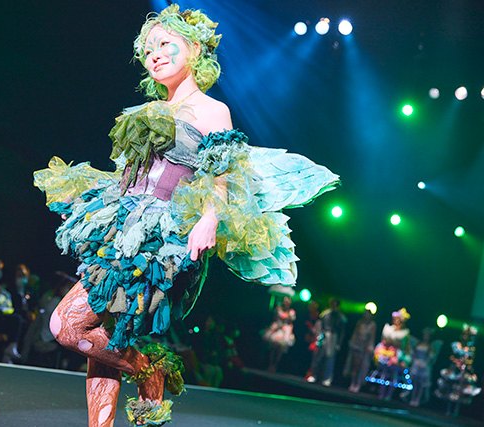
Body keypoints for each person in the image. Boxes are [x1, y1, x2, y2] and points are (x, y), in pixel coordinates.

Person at [34, 5, 338, 426]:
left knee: (66, 326)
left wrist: (209, 218)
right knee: (107, 338)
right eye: (147, 49)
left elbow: (221, 173)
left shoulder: (213, 111)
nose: (154, 54)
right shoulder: (146, 112)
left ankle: (150, 369)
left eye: (165, 44)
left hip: (161, 243)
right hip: (121, 234)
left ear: (194, 49)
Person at [435, 324, 481, 417]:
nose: (465, 337)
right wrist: (457, 361)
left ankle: (456, 411)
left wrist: (464, 363)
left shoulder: (471, 348)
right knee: (449, 388)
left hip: (463, 371)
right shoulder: (456, 345)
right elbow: (451, 356)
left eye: (467, 335)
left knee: (459, 390)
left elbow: (471, 360)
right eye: (464, 335)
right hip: (454, 369)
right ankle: (447, 409)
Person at [370, 308, 411, 400]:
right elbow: (384, 340)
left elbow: (405, 346)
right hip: (386, 353)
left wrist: (404, 359)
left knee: (394, 377)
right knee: (384, 374)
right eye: (397, 320)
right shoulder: (389, 329)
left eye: (400, 320)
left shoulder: (405, 332)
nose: (398, 322)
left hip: (396, 356)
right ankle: (381, 394)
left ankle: (388, 395)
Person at [306, 298, 346, 386]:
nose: (334, 307)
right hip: (324, 336)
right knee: (319, 357)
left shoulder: (341, 317)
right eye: (333, 305)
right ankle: (314, 375)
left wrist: (338, 343)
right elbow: (321, 326)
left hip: (333, 337)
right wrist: (319, 337)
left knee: (330, 359)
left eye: (336, 305)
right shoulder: (325, 314)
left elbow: (342, 332)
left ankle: (327, 378)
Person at [343, 308, 376, 393]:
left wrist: (370, 347)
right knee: (354, 365)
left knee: (361, 366)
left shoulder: (372, 325)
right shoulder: (360, 322)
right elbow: (355, 333)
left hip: (364, 348)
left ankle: (358, 383)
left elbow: (372, 337)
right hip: (357, 346)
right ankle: (352, 382)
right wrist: (352, 343)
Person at [409, 327, 441, 407]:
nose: (426, 337)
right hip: (417, 364)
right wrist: (416, 360)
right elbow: (413, 353)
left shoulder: (430, 346)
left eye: (427, 336)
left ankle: (417, 399)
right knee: (415, 383)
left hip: (424, 366)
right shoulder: (418, 344)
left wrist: (425, 363)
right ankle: (412, 398)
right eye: (425, 335)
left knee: (421, 384)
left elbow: (431, 357)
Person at [262, 296, 296, 373]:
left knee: (280, 349)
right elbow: (274, 318)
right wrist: (272, 327)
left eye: (287, 301)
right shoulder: (279, 309)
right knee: (273, 348)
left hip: (285, 331)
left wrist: (290, 332)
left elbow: (291, 323)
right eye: (284, 301)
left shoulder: (291, 312)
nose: (285, 303)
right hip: (277, 328)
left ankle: (275, 365)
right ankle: (270, 364)